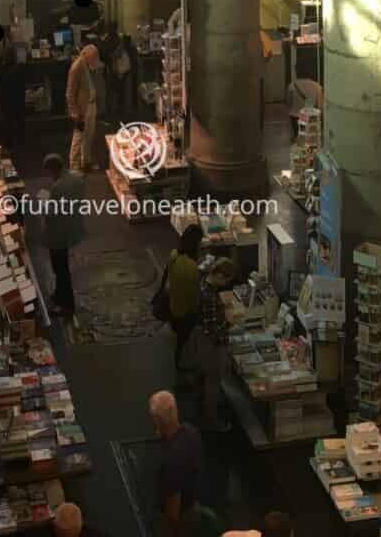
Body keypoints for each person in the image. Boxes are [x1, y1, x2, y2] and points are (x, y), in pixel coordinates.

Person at [149, 390, 205, 537]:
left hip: (180, 519)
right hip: (193, 504)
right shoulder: (191, 431)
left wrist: (169, 529)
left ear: (157, 420)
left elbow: (173, 508)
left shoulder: (171, 460)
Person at [39, 153, 85, 318]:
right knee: (61, 267)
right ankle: (59, 294)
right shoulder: (76, 178)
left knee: (61, 269)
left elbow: (50, 213)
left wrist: (43, 199)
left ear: (53, 169)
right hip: (72, 227)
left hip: (58, 233)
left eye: (48, 171)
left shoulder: (58, 187)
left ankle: (67, 305)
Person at [192, 257, 236, 429]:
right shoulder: (209, 296)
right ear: (217, 274)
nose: (224, 284)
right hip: (211, 345)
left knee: (203, 376)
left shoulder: (203, 283)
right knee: (213, 380)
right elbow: (212, 329)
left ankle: (201, 406)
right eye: (224, 279)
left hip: (200, 341)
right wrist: (230, 322)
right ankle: (213, 419)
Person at [167, 223, 204, 383]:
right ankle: (184, 369)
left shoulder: (174, 254)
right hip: (187, 310)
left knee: (180, 339)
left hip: (174, 304)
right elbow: (195, 294)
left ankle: (177, 362)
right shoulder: (191, 266)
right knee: (186, 339)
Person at [66, 41, 100, 172]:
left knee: (89, 135)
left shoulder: (88, 65)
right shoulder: (76, 67)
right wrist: (73, 111)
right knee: (78, 137)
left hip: (91, 105)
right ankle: (74, 166)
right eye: (93, 58)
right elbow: (69, 92)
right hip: (81, 108)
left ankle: (86, 162)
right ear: (86, 55)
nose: (94, 61)